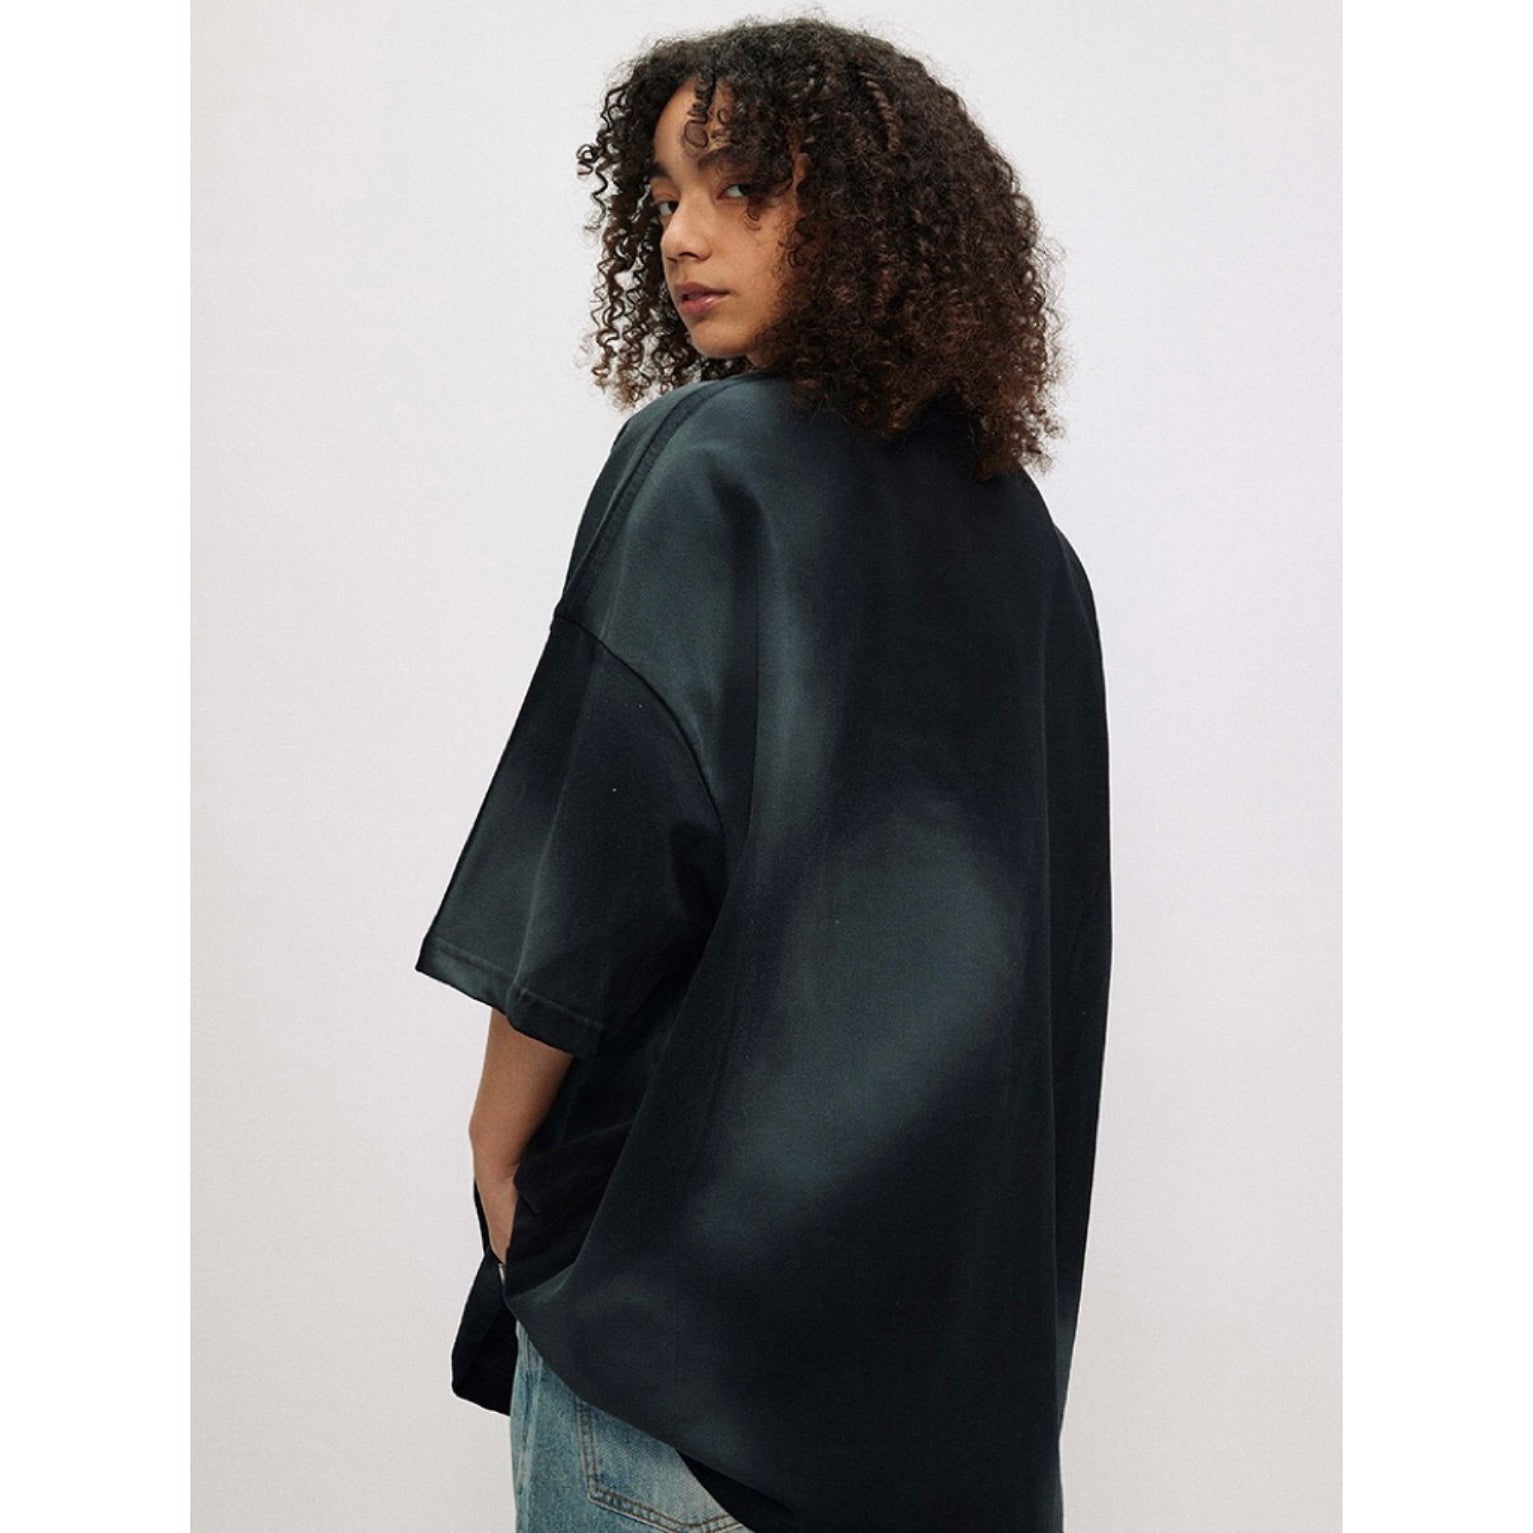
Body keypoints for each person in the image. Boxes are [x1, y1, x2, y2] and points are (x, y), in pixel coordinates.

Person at [415, 16, 1112, 1533]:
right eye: (666, 197)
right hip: (938, 1409)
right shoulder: (1026, 541)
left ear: (859, 210)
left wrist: (494, 1134)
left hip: (678, 1364)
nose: (685, 235)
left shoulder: (707, 457)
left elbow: (595, 856)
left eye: (740, 188)